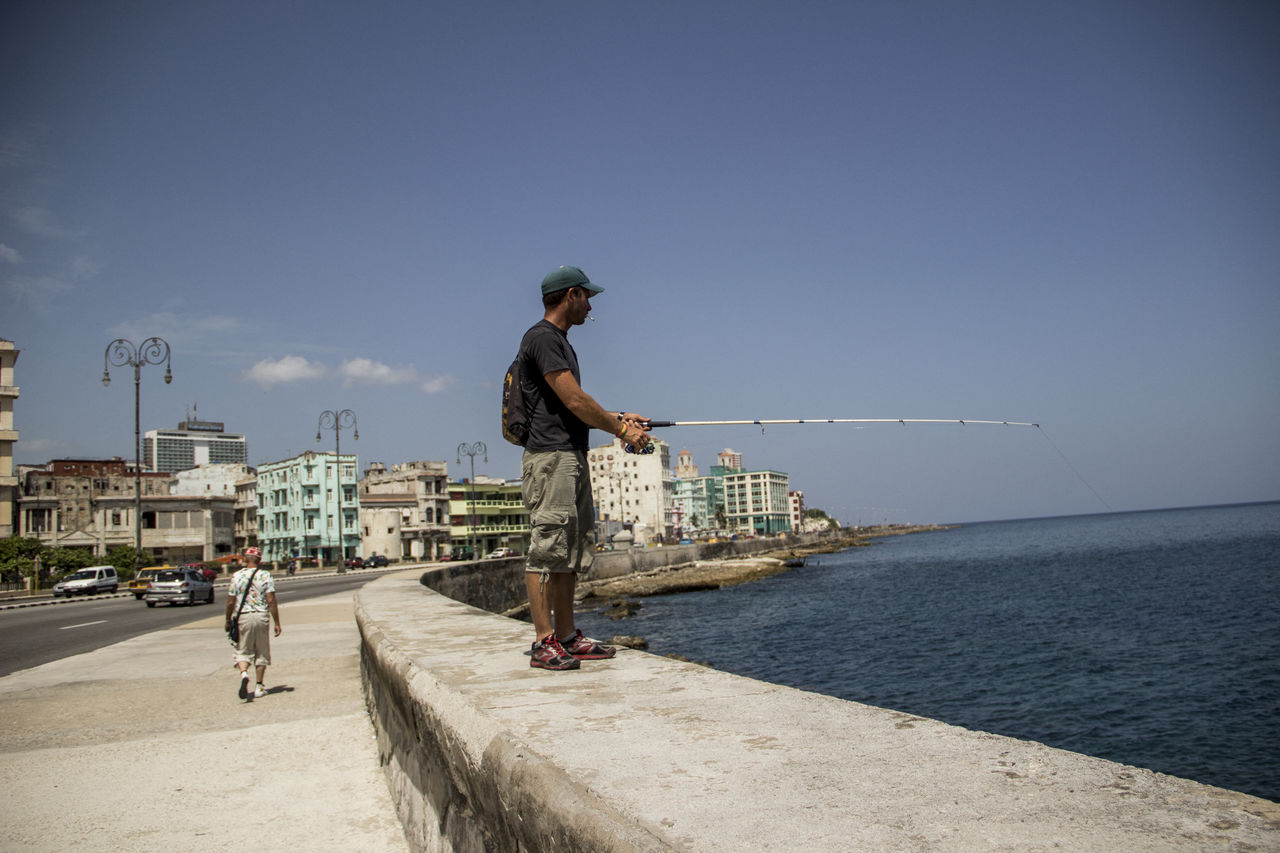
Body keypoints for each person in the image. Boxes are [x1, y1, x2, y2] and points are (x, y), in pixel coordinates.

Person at [517, 265, 651, 670]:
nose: (590, 305)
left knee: (570, 550)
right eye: (586, 297)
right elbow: (575, 400)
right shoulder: (542, 338)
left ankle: (569, 635)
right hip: (550, 458)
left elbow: (569, 406)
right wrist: (622, 431)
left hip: (569, 456)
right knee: (547, 547)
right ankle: (544, 641)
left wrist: (620, 417)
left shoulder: (558, 342)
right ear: (571, 294)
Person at [224, 546, 282, 699]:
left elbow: (230, 602)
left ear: (245, 559)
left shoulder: (236, 576)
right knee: (261, 651)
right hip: (261, 616)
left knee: (243, 650)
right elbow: (271, 600)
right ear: (260, 560)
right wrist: (277, 622)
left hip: (243, 616)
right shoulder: (265, 575)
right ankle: (259, 686)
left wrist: (228, 620)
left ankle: (244, 674)